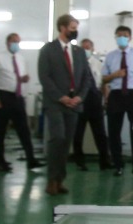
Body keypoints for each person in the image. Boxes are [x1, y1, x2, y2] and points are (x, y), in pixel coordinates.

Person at [38, 14, 95, 197]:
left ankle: (60, 180)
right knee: (58, 139)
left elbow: (87, 78)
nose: (75, 31)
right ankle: (52, 180)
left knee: (66, 143)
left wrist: (80, 97)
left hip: (74, 104)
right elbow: (44, 77)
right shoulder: (48, 50)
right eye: (72, 27)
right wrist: (61, 97)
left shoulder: (78, 52)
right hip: (56, 103)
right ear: (62, 28)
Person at [101, 25, 133, 178]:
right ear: (115, 37)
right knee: (114, 132)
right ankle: (118, 165)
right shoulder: (110, 56)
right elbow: (103, 79)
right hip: (116, 95)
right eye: (119, 35)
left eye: (125, 35)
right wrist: (115, 75)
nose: (122, 37)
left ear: (130, 37)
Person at [0, 31, 41, 173]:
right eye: (14, 42)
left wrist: (24, 82)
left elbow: (20, 76)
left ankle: (31, 159)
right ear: (7, 43)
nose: (16, 45)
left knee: (24, 129)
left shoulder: (21, 58)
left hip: (18, 97)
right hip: (3, 96)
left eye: (18, 42)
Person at [72, 38, 111, 170]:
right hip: (80, 101)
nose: (85, 51)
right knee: (78, 134)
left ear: (92, 49)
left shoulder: (98, 63)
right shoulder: (75, 65)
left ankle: (104, 161)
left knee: (100, 133)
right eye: (83, 48)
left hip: (95, 101)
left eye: (88, 48)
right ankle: (79, 161)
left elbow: (103, 83)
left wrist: (106, 98)